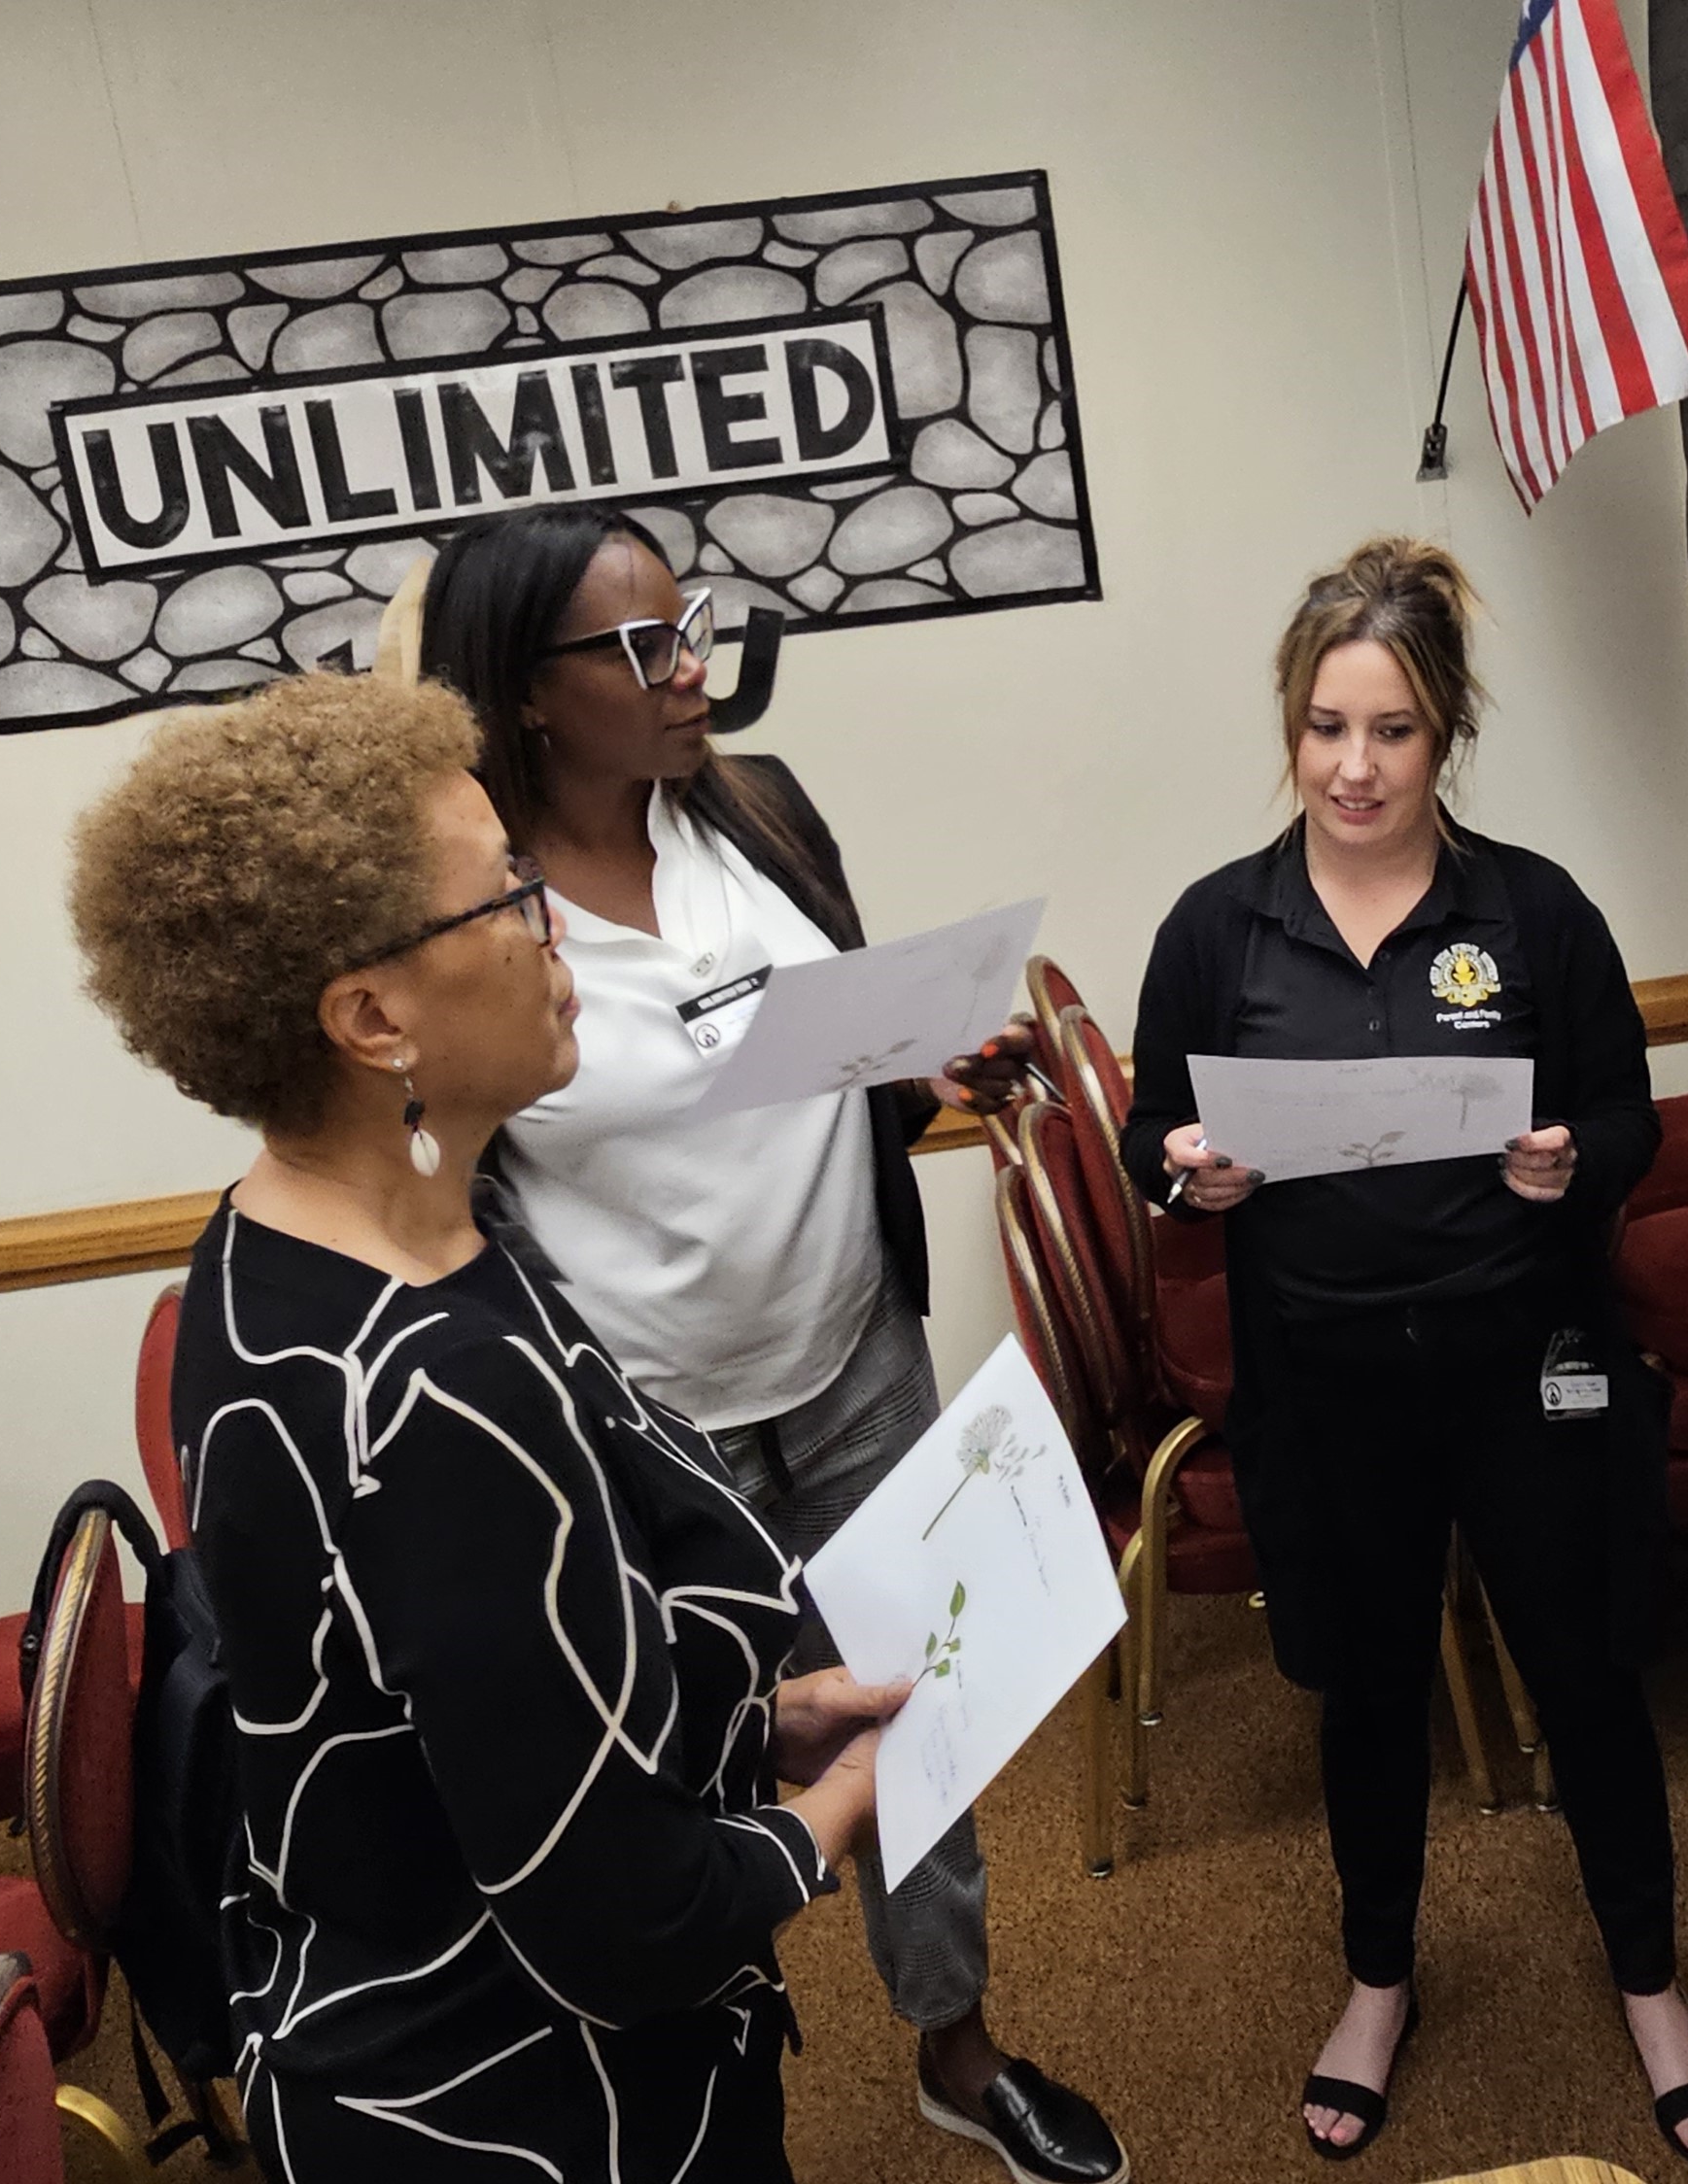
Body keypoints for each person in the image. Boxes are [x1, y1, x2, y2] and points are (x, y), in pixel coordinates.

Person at [67, 675, 906, 2178]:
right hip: (522, 2105)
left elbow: (466, 1700)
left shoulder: (278, 1245)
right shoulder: (442, 1392)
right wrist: (840, 1806)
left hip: (380, 2027)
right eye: (510, 898)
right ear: (372, 1015)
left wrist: (750, 1718)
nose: (561, 929)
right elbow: (626, 1924)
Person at [412, 508, 1120, 2184]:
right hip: (658, 1423)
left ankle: (956, 2042)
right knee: (700, 1755)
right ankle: (709, 2101)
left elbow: (815, 1033)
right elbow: (454, 1173)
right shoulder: (470, 909)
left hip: (855, 1345)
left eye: (695, 625)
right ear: (524, 692)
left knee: (919, 1719)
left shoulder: (761, 810)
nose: (690, 671)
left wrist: (918, 1064)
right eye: (643, 648)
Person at [1119, 538, 1688, 2166]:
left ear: (1444, 734)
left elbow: (1625, 1113)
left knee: (1590, 1675)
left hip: (1530, 1360)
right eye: (1328, 726)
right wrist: (1190, 1165)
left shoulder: (1532, 911)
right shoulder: (1217, 933)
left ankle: (1655, 1985)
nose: (1354, 766)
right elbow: (1141, 1136)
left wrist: (1573, 1164)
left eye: (1391, 730)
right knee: (1369, 1693)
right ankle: (1378, 1980)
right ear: (1290, 727)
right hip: (1323, 1381)